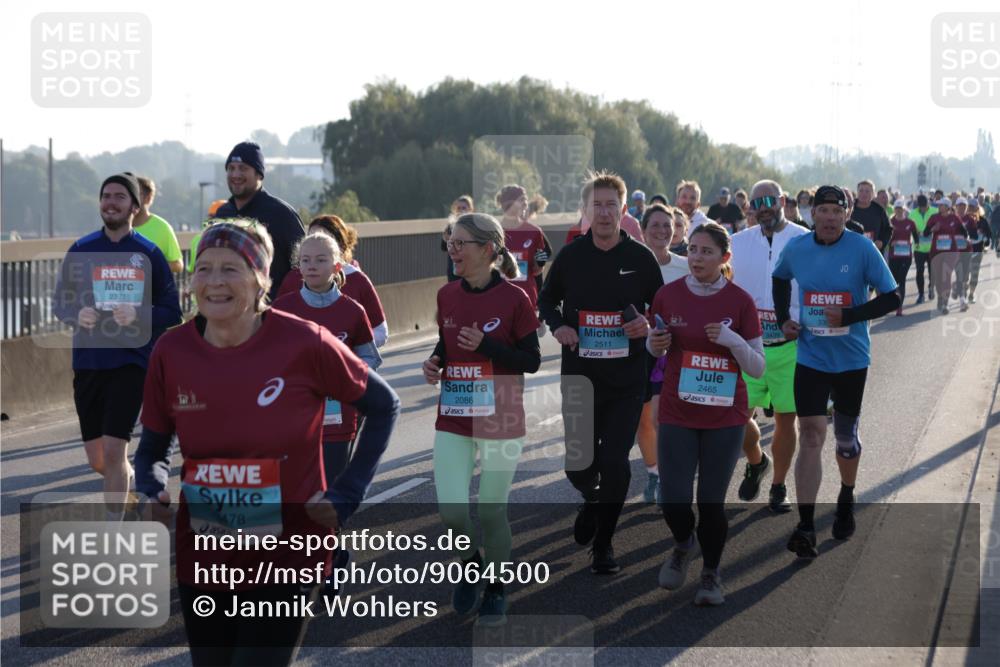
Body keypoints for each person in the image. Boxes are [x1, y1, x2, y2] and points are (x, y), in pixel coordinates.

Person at [134, 220, 399, 666]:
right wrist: (149, 486)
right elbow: (154, 446)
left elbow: (383, 406)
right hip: (206, 550)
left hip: (288, 551)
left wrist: (347, 492)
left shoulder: (304, 342)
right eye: (204, 268)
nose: (214, 282)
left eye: (231, 269)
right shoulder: (171, 351)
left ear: (261, 278)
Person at [538, 170, 662, 574]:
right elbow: (546, 302)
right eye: (597, 205)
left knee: (615, 462)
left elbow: (659, 312)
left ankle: (604, 546)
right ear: (585, 211)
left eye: (612, 205)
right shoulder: (571, 257)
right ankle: (592, 501)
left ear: (624, 211)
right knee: (578, 465)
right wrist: (559, 326)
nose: (604, 213)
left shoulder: (641, 259)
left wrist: (647, 325)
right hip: (580, 376)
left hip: (627, 378)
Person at [423, 213, 541, 625]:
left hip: (501, 418)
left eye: (460, 244)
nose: (452, 251)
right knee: (452, 511)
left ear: (488, 249)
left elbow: (532, 360)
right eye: (450, 243)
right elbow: (446, 340)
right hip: (454, 414)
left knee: (491, 512)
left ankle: (496, 587)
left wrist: (490, 346)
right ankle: (472, 562)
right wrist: (435, 362)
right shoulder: (447, 295)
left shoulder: (515, 299)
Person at [772, 185, 900, 559]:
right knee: (810, 435)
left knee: (845, 437)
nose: (829, 217)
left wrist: (850, 315)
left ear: (846, 215)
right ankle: (806, 525)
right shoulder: (797, 248)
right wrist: (783, 319)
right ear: (813, 214)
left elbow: (892, 297)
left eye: (835, 211)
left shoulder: (862, 248)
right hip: (811, 358)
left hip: (851, 360)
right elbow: (780, 279)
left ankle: (846, 494)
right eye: (823, 210)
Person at [648, 222, 765, 605]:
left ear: (724, 258)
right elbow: (654, 350)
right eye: (693, 250)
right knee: (673, 499)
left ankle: (711, 574)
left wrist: (731, 339)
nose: (697, 258)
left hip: (725, 416)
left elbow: (758, 367)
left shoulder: (741, 302)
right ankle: (684, 544)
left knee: (711, 502)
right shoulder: (667, 296)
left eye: (706, 252)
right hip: (678, 411)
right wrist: (655, 342)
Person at [53, 173, 182, 518]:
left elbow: (173, 311)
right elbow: (59, 304)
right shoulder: (81, 249)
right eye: (106, 196)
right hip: (89, 363)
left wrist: (140, 314)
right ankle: (130, 485)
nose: (111, 202)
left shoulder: (149, 253)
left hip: (131, 363)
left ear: (135, 207)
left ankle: (115, 534)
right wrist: (75, 314)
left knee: (113, 452)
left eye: (120, 197)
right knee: (100, 459)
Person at [729, 181, 808, 512]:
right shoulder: (736, 243)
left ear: (782, 201)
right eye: (757, 201)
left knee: (786, 421)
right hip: (748, 348)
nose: (764, 207)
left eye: (770, 201)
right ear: (751, 207)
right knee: (735, 419)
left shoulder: (804, 239)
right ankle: (757, 460)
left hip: (790, 347)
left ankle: (778, 486)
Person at [636, 204, 690, 503]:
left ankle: (676, 472)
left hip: (680, 351)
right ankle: (655, 474)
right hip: (641, 352)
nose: (661, 231)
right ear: (643, 231)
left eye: (667, 225)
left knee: (675, 419)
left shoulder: (686, 265)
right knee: (646, 419)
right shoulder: (631, 263)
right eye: (654, 225)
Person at [278, 216, 389, 347]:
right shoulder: (292, 280)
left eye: (324, 238)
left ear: (340, 245)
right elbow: (276, 330)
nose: (316, 243)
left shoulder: (358, 281)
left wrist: (344, 349)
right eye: (311, 237)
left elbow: (380, 332)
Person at [214, 141, 305, 299]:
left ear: (259, 174)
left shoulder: (281, 214)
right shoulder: (222, 214)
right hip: (230, 312)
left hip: (272, 313)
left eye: (243, 168)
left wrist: (282, 304)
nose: (236, 175)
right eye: (231, 168)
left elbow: (302, 266)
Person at [496, 184, 551, 323]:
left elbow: (539, 269)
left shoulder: (534, 232)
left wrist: (542, 306)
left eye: (526, 199)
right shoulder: (493, 231)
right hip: (498, 299)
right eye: (521, 199)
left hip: (527, 300)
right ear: (508, 203)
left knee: (528, 345)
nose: (526, 203)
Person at [923, 198, 969, 314]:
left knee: (946, 273)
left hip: (952, 251)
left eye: (941, 205)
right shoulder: (934, 217)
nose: (939, 207)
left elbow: (964, 232)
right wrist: (933, 229)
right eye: (938, 205)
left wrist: (966, 239)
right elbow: (925, 233)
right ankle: (941, 297)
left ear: (947, 206)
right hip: (936, 252)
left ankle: (945, 303)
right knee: (939, 278)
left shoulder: (954, 218)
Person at [131, 176, 183, 273]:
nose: (131, 198)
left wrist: (150, 265)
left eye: (136, 194)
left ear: (148, 198)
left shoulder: (162, 227)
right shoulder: (117, 227)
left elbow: (178, 265)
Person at [887, 200, 921, 316]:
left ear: (904, 209)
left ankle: (899, 307)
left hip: (906, 256)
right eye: (897, 208)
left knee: (902, 280)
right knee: (894, 281)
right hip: (894, 256)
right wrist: (891, 242)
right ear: (894, 210)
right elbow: (886, 237)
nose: (899, 210)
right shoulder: (890, 222)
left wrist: (916, 244)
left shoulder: (910, 223)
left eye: (900, 208)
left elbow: (916, 236)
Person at [908, 194, 938, 303]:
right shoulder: (912, 214)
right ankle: (921, 294)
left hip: (932, 248)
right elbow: (910, 228)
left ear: (928, 204)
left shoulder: (935, 211)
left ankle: (931, 288)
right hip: (918, 248)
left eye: (925, 206)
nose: (923, 208)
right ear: (918, 205)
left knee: (932, 272)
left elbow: (940, 224)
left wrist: (934, 229)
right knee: (919, 272)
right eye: (921, 207)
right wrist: (916, 232)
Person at [961, 200, 992, 304]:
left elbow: (988, 235)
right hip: (965, 250)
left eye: (973, 207)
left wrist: (986, 240)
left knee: (974, 274)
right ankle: (964, 292)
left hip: (977, 250)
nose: (971, 209)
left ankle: (971, 294)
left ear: (977, 208)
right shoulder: (963, 220)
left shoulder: (983, 221)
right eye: (969, 207)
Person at [851, 180, 892, 251]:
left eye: (867, 191)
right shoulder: (849, 208)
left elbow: (888, 229)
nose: (864, 194)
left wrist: (882, 242)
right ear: (857, 192)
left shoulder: (879, 209)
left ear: (873, 194)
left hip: (873, 251)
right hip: (852, 250)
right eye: (861, 191)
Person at [443, 195, 475, 282]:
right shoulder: (450, 225)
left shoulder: (474, 226)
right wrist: (447, 239)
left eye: (464, 208)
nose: (461, 210)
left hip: (469, 268)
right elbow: (443, 247)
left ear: (470, 209)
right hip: (454, 268)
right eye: (458, 208)